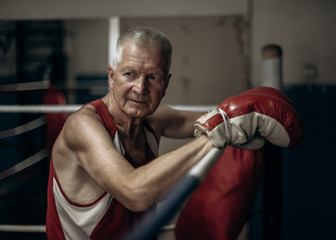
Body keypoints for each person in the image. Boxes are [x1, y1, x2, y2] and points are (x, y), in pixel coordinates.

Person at [46, 27, 304, 240]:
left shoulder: (152, 120)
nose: (140, 87)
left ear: (166, 84)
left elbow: (207, 119)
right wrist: (217, 132)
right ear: (111, 76)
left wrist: (242, 113)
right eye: (129, 74)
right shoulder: (84, 126)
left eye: (153, 77)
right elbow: (133, 192)